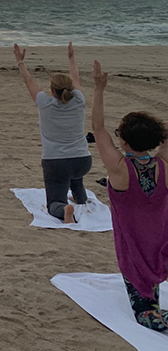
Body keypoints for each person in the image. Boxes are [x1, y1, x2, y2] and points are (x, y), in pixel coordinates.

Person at [92, 60, 168, 331]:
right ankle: (154, 308)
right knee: (153, 279)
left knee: (142, 297)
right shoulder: (164, 164)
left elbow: (98, 129)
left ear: (123, 141)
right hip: (159, 238)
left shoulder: (119, 168)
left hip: (133, 242)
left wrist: (99, 89)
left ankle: (150, 312)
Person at [13, 42, 91, 224]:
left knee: (54, 201)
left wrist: (20, 62)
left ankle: (64, 209)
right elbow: (75, 77)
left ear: (52, 90)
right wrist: (72, 58)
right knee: (74, 174)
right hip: (83, 161)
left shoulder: (44, 103)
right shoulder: (79, 99)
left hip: (56, 163)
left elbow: (29, 81)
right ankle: (80, 198)